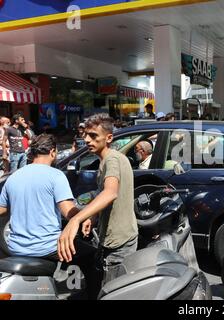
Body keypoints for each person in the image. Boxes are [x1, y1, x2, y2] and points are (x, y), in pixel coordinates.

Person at [0, 134, 99, 299]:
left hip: (16, 248)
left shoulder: (13, 177)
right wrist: (86, 215)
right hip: (48, 249)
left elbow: (2, 209)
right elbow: (68, 211)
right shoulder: (56, 175)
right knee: (91, 256)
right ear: (53, 152)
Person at [57, 113, 138, 286]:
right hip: (116, 238)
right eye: (86, 135)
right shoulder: (106, 160)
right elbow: (106, 197)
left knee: (112, 292)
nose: (86, 140)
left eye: (93, 136)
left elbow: (110, 193)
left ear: (109, 138)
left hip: (118, 243)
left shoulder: (112, 160)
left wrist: (76, 220)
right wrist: (92, 218)